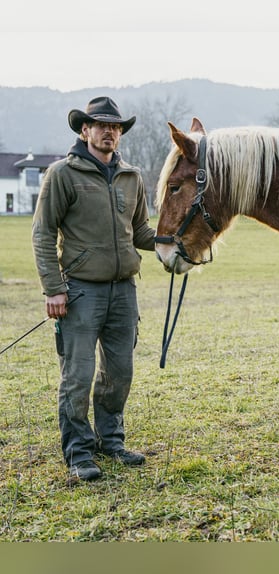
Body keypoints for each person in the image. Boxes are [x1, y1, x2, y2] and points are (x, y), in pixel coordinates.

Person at [32, 96, 156, 482]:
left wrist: (172, 242)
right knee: (78, 376)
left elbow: (140, 233)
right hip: (81, 293)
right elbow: (42, 234)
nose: (109, 132)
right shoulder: (61, 174)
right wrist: (54, 289)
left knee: (120, 374)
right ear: (84, 130)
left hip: (124, 293)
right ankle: (79, 453)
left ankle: (112, 442)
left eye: (115, 127)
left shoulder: (132, 177)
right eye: (100, 125)